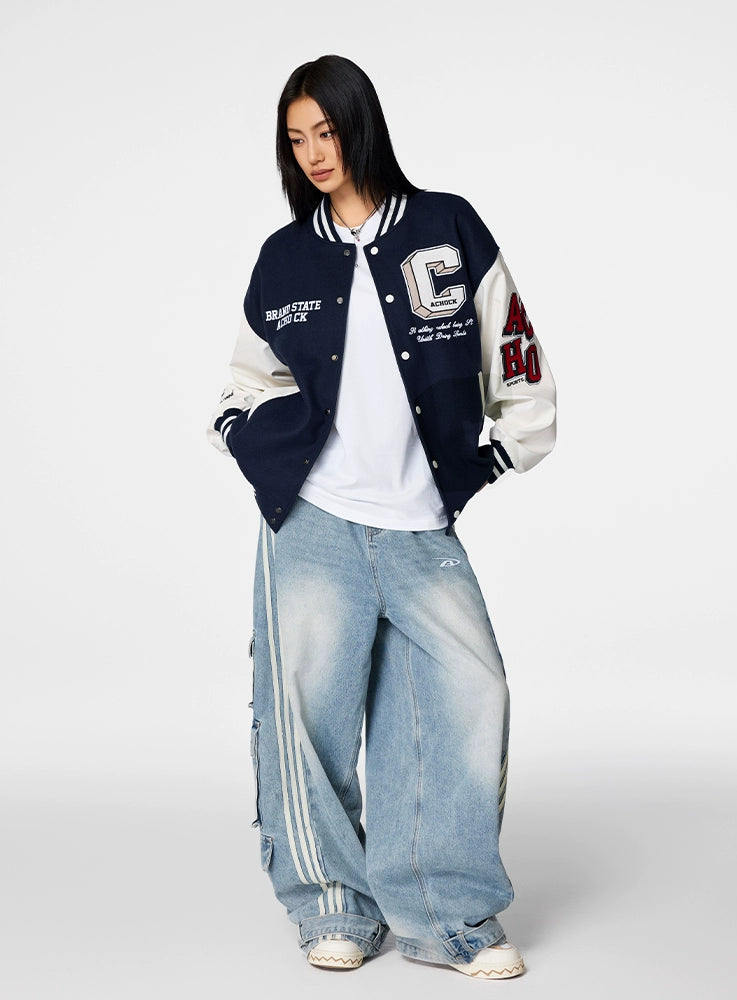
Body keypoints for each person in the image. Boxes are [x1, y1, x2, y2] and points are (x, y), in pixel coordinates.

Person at [207, 54, 556, 979]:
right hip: (312, 522)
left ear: (360, 124)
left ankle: (445, 916)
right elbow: (244, 384)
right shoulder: (285, 256)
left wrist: (490, 460)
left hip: (417, 523)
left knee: (465, 697)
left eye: (326, 131)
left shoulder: (447, 226)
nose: (314, 153)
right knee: (307, 717)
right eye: (296, 140)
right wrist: (252, 445)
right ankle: (333, 905)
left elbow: (516, 360)